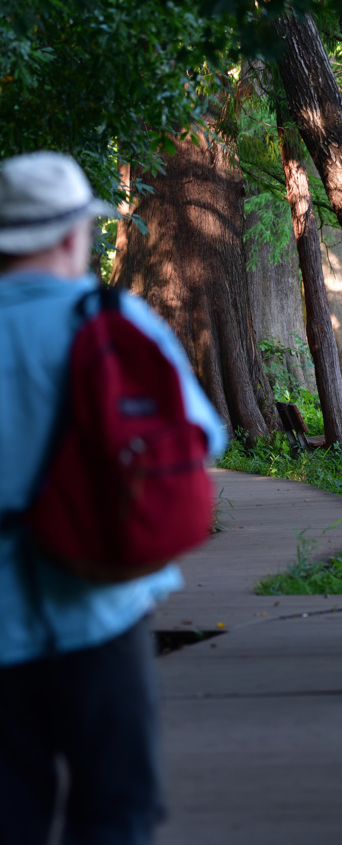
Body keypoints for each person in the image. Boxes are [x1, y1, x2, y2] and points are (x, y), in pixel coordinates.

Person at [0, 151, 227, 845]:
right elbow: (201, 438)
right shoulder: (113, 321)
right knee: (116, 813)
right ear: (74, 235)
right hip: (101, 609)